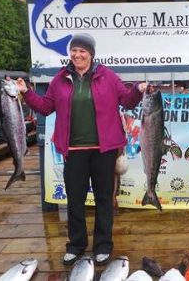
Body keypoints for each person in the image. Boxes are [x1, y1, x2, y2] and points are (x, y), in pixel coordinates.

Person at [17, 33, 148, 266]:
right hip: (74, 151)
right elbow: (46, 107)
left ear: (91, 54)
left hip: (104, 151)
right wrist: (27, 92)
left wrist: (137, 89)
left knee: (104, 200)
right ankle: (76, 246)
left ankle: (103, 245)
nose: (77, 54)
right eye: (74, 50)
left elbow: (127, 101)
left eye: (82, 51)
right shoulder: (60, 79)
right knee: (75, 200)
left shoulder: (107, 76)